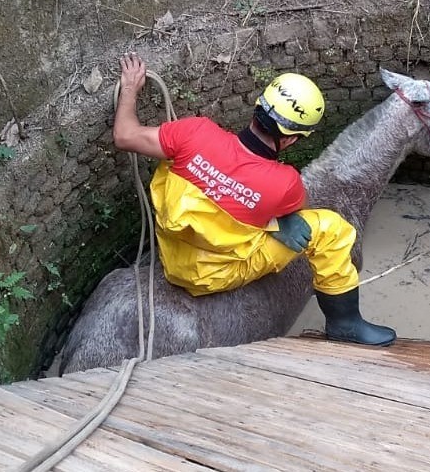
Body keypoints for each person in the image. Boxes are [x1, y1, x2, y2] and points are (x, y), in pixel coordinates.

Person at [113, 52, 396, 346]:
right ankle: (345, 324)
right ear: (290, 139)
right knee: (331, 230)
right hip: (215, 275)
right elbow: (287, 211)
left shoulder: (193, 132)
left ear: (258, 106)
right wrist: (275, 223)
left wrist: (131, 88)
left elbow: (124, 136)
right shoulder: (286, 184)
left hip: (171, 253)